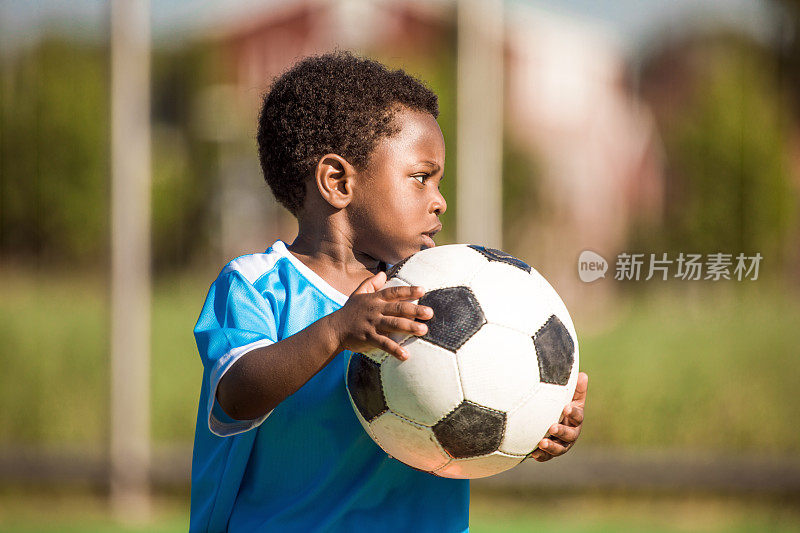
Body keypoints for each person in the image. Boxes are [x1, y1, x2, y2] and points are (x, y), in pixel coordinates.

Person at [190, 51, 588, 532]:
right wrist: (337, 331)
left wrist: (535, 416)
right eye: (421, 178)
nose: (439, 200)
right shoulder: (257, 285)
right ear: (338, 181)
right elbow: (235, 395)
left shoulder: (437, 294)